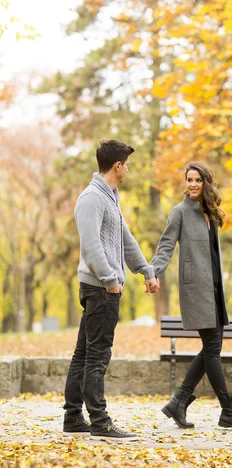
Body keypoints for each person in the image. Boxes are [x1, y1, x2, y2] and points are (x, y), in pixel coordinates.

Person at [63, 139, 159, 442]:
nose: (128, 169)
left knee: (83, 353)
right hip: (101, 289)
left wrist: (145, 269)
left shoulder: (110, 198)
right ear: (117, 166)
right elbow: (91, 246)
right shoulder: (92, 198)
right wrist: (111, 280)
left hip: (102, 287)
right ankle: (100, 422)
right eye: (127, 164)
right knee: (97, 356)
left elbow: (125, 240)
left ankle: (73, 417)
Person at [151, 161, 232, 432]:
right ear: (185, 183)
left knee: (212, 348)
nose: (193, 184)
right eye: (189, 180)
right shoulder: (179, 212)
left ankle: (179, 401)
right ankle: (228, 410)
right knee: (212, 349)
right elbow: (165, 246)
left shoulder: (210, 213)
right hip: (197, 290)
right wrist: (153, 273)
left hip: (216, 288)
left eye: (198, 180)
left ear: (206, 182)